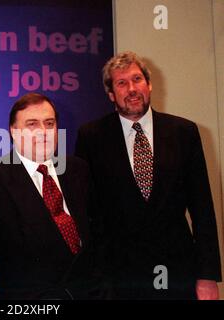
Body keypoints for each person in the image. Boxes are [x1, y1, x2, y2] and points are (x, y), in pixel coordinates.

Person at [75, 51, 222, 299]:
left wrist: (207, 276)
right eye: (122, 83)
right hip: (116, 280)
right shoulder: (91, 137)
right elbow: (87, 214)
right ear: (111, 93)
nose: (132, 89)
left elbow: (202, 208)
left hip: (177, 274)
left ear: (149, 84)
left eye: (137, 79)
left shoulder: (184, 133)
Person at [0, 92, 104, 300]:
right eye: (32, 125)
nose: (43, 132)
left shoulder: (77, 170)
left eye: (49, 123)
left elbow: (96, 239)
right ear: (14, 132)